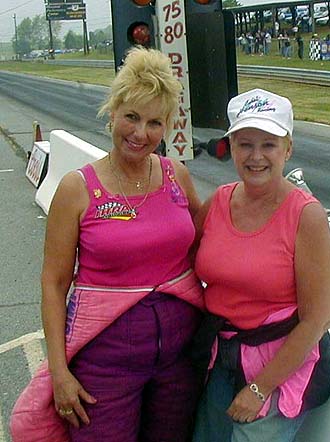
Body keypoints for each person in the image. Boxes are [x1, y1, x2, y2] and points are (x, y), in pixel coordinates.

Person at [11, 46, 204, 442]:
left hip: (178, 362)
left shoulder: (177, 176)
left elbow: (208, 246)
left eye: (154, 122)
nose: (139, 133)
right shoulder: (76, 188)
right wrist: (60, 372)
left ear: (166, 126)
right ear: (112, 112)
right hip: (104, 366)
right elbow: (53, 283)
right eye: (131, 116)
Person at [191, 88, 330, 442]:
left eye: (269, 145)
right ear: (231, 149)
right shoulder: (217, 202)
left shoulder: (306, 216)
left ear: (288, 149)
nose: (256, 156)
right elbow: (184, 262)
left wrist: (259, 389)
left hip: (281, 366)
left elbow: (319, 318)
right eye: (245, 144)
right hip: (223, 356)